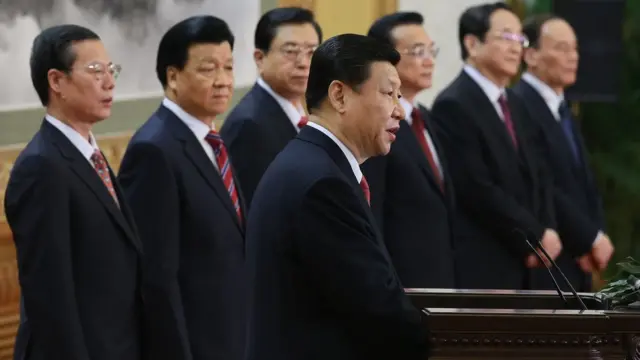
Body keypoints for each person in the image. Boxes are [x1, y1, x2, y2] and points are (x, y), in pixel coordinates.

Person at [244, 33, 427, 360]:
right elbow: (375, 308)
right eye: (388, 94)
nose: (399, 110)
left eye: (399, 95)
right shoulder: (322, 184)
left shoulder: (311, 163)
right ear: (339, 95)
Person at [4, 25, 143, 360]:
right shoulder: (41, 167)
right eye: (95, 71)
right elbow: (51, 300)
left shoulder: (91, 156)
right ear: (56, 81)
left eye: (112, 70)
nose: (109, 82)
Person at [118, 16, 246, 360]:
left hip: (234, 334)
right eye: (208, 70)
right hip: (196, 343)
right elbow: (156, 277)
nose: (223, 81)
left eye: (229, 67)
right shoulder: (154, 149)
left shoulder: (212, 140)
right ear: (173, 76)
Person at [430, 2, 560, 290]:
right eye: (506, 37)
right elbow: (477, 188)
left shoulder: (515, 102)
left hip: (533, 260)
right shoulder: (454, 104)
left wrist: (548, 231)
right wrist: (533, 235)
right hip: (488, 259)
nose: (517, 48)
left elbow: (540, 173)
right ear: (472, 44)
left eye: (520, 39)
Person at [512, 14, 614, 290]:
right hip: (550, 259)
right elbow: (545, 183)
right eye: (561, 48)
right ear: (530, 55)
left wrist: (597, 234)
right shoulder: (519, 104)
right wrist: (588, 238)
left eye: (575, 48)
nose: (573, 57)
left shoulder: (564, 108)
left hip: (579, 259)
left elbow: (583, 182)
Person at [363, 11, 456, 288]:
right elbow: (373, 210)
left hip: (440, 281)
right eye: (417, 51)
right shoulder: (377, 125)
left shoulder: (426, 118)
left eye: (431, 50)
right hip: (401, 284)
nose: (429, 60)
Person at [220, 7, 322, 208]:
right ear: (260, 58)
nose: (304, 63)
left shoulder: (309, 111)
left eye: (311, 52)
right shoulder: (248, 125)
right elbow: (256, 210)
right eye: (291, 52)